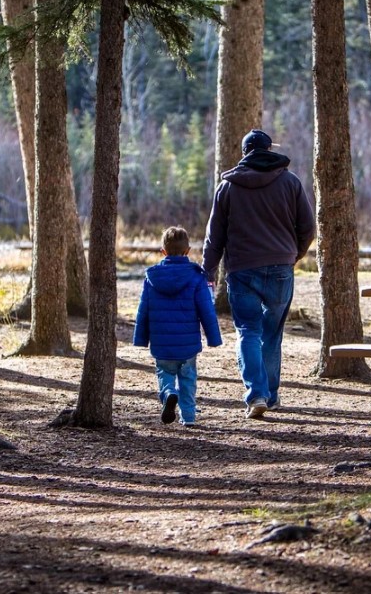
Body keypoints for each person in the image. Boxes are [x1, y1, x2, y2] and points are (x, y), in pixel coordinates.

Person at [202, 129, 315, 419]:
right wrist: (294, 254)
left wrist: (208, 270)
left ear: (245, 154)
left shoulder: (227, 187)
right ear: (268, 150)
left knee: (248, 332)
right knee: (272, 334)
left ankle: (257, 395)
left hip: (241, 270)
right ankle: (271, 396)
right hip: (280, 267)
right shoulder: (290, 182)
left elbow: (214, 237)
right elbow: (308, 228)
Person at [133, 226, 223, 426]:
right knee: (188, 378)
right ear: (188, 251)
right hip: (188, 343)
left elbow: (143, 309)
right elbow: (206, 309)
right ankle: (189, 417)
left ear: (163, 251)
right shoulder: (196, 277)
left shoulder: (152, 278)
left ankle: (168, 394)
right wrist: (214, 338)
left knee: (164, 372)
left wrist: (140, 338)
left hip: (161, 342)